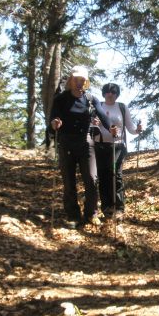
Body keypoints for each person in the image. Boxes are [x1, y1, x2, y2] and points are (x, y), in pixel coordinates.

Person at [49, 66, 115, 228]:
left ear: (86, 82)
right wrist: (55, 123)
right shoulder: (61, 99)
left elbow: (101, 116)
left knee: (92, 179)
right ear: (71, 80)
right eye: (76, 80)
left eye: (82, 80)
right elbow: (53, 119)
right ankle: (73, 215)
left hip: (86, 142)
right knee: (68, 180)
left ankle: (91, 213)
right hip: (66, 142)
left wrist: (111, 128)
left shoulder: (91, 99)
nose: (79, 83)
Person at [93, 82, 142, 220]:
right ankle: (107, 207)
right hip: (100, 145)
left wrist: (137, 130)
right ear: (104, 93)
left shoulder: (122, 107)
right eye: (108, 91)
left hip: (118, 146)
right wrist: (93, 124)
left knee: (116, 175)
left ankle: (119, 208)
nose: (110, 94)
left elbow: (130, 127)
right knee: (103, 177)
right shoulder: (98, 106)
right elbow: (93, 127)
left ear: (117, 94)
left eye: (113, 92)